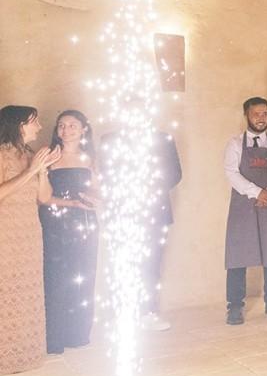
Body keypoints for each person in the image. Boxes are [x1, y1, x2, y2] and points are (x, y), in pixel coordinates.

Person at [98, 126, 183, 332]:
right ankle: (122, 313)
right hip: (122, 211)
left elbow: (175, 173)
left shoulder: (163, 138)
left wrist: (149, 188)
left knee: (152, 264)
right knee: (122, 263)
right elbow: (104, 172)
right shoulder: (109, 139)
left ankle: (148, 312)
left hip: (155, 211)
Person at [0, 106, 58, 374]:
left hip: (29, 233)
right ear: (18, 125)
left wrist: (42, 171)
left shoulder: (31, 155)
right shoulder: (1, 154)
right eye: (34, 122)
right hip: (5, 234)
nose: (39, 126)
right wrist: (30, 170)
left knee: (27, 289)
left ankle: (25, 353)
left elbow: (44, 198)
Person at [223, 96, 267, 325]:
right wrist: (255, 192)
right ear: (247, 116)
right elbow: (232, 173)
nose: (261, 119)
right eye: (256, 114)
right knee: (238, 254)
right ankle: (234, 306)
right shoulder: (234, 144)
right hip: (244, 204)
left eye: (265, 114)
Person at [39, 110, 99, 354]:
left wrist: (93, 199)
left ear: (84, 129)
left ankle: (78, 333)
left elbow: (99, 190)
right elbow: (42, 197)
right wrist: (71, 203)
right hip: (55, 223)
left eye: (73, 125)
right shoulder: (48, 156)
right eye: (61, 125)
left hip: (85, 222)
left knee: (83, 275)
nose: (66, 130)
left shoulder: (91, 158)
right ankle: (54, 337)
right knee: (56, 279)